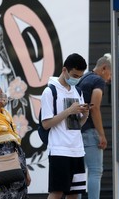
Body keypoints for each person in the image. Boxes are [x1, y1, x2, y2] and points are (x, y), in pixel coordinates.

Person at [40, 53, 89, 199]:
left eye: (80, 76)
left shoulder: (77, 91)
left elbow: (77, 125)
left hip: (77, 149)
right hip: (59, 150)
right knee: (56, 192)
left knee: (74, 194)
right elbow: (46, 123)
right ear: (64, 70)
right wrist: (69, 111)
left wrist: (85, 114)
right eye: (74, 75)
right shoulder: (50, 92)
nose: (77, 79)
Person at [77, 53, 111, 199]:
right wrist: (102, 134)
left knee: (78, 174)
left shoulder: (84, 78)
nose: (110, 78)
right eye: (111, 73)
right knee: (95, 171)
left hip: (77, 131)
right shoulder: (98, 81)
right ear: (104, 68)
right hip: (90, 132)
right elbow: (95, 107)